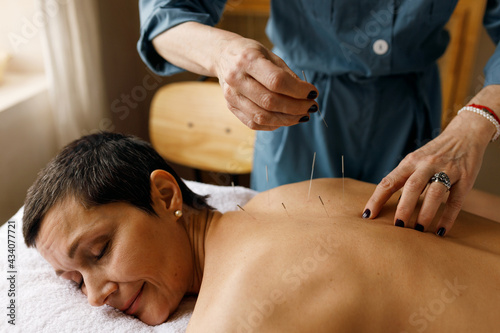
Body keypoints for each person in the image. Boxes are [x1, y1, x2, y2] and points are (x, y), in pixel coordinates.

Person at [23, 133, 500, 331]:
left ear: (167, 196)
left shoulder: (235, 315)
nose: (94, 297)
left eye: (99, 250)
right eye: (75, 280)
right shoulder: (303, 193)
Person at [137, 1, 500, 237]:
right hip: (297, 114)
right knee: (290, 251)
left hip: (411, 119)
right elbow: (165, 15)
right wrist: (221, 54)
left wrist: (478, 118)